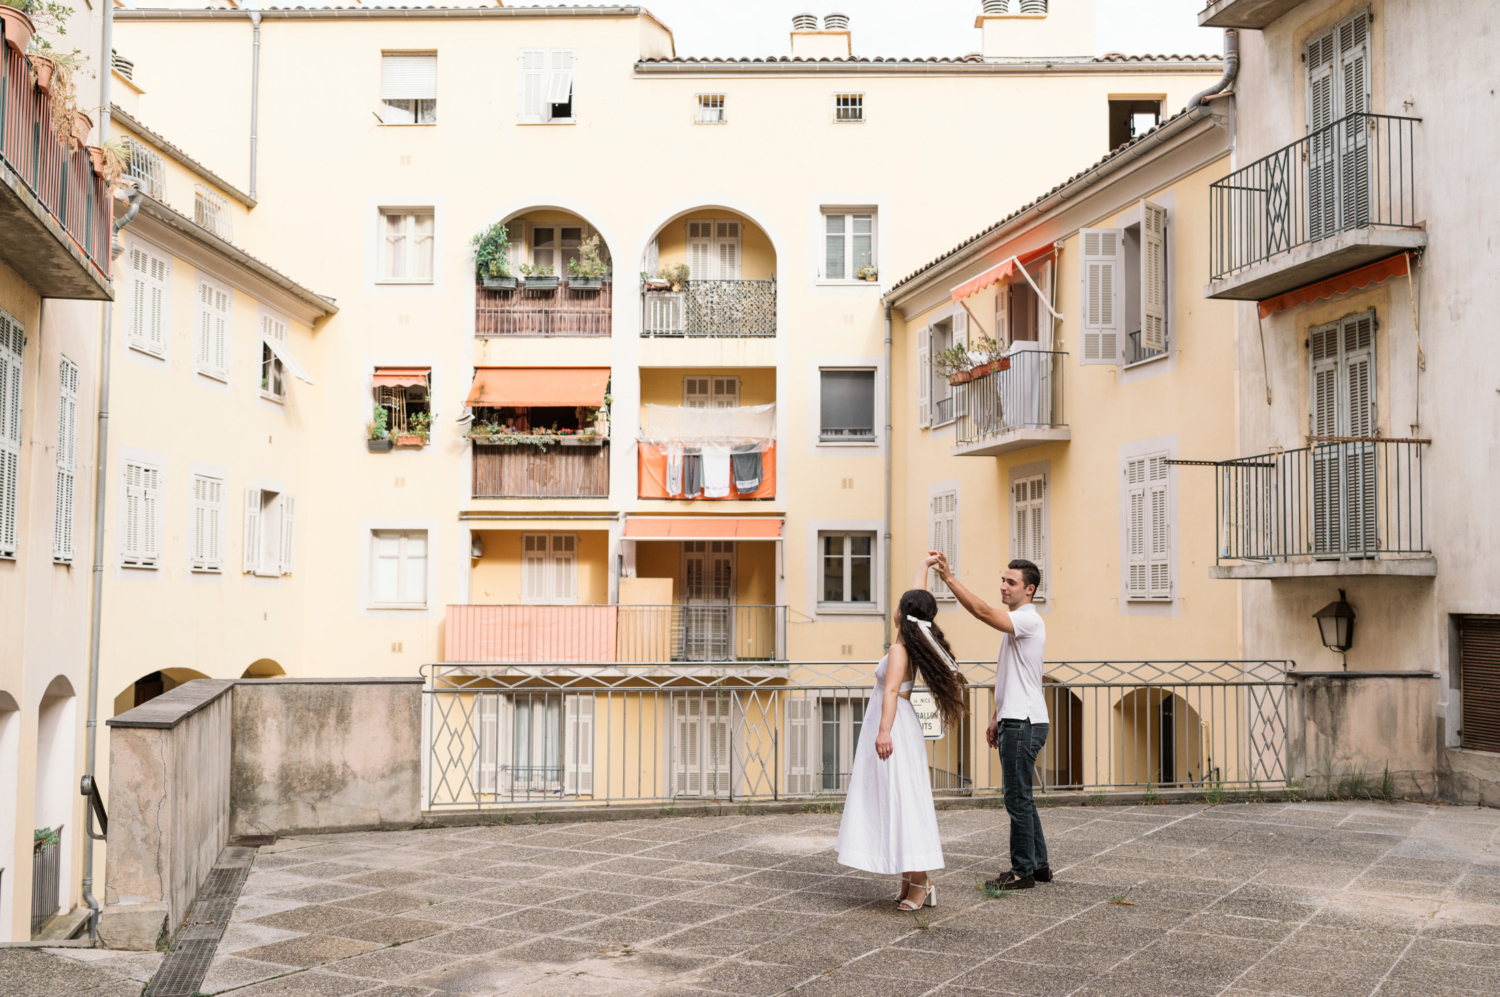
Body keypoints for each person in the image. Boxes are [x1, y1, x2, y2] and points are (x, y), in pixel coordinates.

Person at [835, 555, 969, 911]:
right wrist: (923, 567)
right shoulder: (910, 640)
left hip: (892, 726)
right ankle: (910, 879)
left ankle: (921, 882)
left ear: (903, 613)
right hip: (899, 725)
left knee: (902, 800)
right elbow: (916, 599)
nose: (895, 606)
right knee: (898, 799)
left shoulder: (899, 649)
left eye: (899, 604)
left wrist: (883, 731)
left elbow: (891, 692)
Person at [933, 553, 1051, 890]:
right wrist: (996, 716)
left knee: (1016, 798)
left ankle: (1021, 872)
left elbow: (982, 612)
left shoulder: (1028, 620)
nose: (1003, 586)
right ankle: (1039, 866)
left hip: (1023, 722)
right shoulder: (1019, 622)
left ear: (1029, 590)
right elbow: (1015, 675)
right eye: (1002, 580)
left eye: (1011, 582)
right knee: (1023, 796)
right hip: (1016, 718)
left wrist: (949, 580)